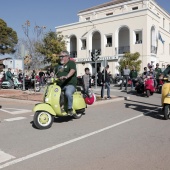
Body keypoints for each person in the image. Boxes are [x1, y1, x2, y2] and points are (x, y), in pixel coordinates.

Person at [55, 50, 77, 116]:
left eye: (62, 56)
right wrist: (52, 76)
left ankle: (70, 109)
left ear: (67, 57)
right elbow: (55, 73)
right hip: (60, 85)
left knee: (68, 93)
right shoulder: (58, 65)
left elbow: (72, 70)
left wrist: (66, 76)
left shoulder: (71, 63)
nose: (60, 58)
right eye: (60, 57)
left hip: (70, 84)